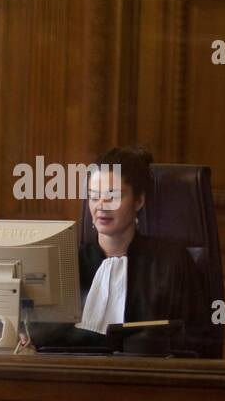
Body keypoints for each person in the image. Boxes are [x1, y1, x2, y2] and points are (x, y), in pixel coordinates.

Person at [30, 146, 208, 353]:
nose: (101, 206)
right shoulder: (67, 264)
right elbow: (43, 340)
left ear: (139, 200)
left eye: (112, 197)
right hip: (71, 379)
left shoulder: (172, 263)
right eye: (94, 197)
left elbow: (196, 340)